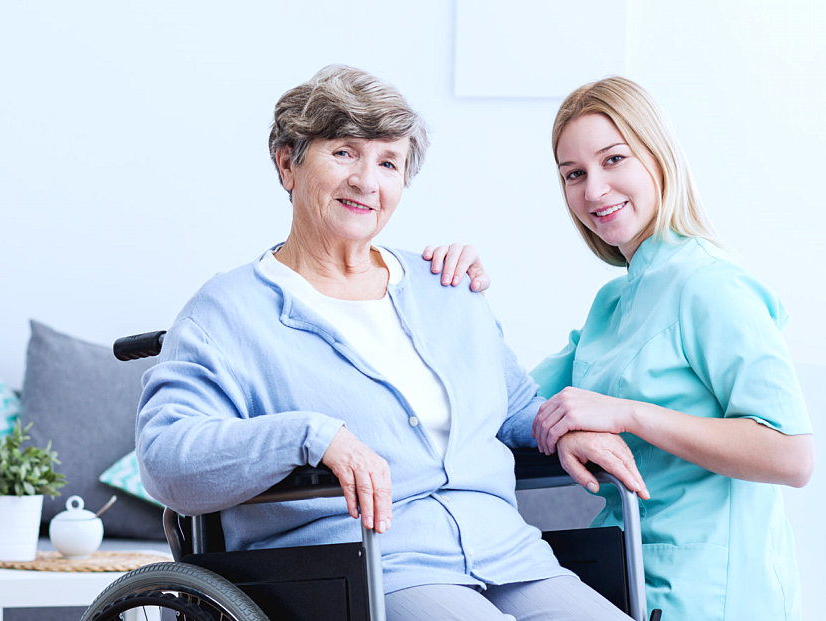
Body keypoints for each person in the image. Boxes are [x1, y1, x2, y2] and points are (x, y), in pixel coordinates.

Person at [136, 64, 637, 621]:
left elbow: (513, 408)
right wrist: (311, 436)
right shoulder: (228, 314)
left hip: (509, 555)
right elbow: (164, 458)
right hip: (366, 570)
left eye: (388, 162)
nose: (367, 181)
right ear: (287, 164)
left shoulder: (445, 286)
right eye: (344, 152)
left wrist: (564, 427)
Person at [424, 76, 814, 619]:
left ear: (657, 157)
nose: (594, 190)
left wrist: (627, 414)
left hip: (712, 590)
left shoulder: (711, 284)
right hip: (621, 574)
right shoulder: (614, 304)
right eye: (574, 175)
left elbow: (790, 455)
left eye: (613, 160)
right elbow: (504, 403)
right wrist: (456, 296)